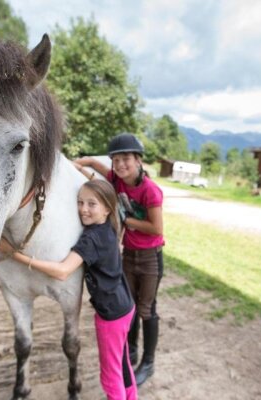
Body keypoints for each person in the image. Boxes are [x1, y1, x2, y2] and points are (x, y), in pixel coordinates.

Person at [0, 179, 138, 400]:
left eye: (92, 204)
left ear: (107, 209)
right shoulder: (107, 227)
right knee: (123, 363)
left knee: (110, 376)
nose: (83, 209)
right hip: (126, 306)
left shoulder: (91, 239)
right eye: (80, 202)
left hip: (110, 316)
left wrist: (14, 254)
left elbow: (63, 271)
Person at [74, 133, 164, 386]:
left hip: (149, 258)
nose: (120, 165)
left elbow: (156, 228)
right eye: (116, 161)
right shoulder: (116, 178)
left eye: (126, 159)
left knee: (147, 309)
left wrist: (124, 219)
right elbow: (94, 165)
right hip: (128, 253)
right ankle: (131, 350)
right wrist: (80, 163)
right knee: (130, 306)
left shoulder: (150, 191)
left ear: (138, 160)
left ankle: (148, 361)